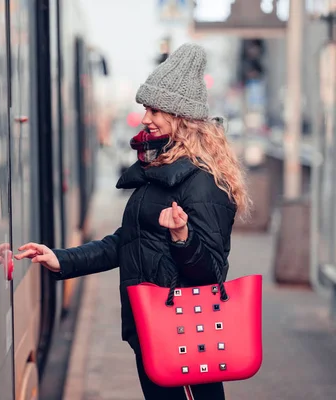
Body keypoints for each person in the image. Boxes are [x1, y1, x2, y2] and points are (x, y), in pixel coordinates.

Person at [15, 43, 251, 399]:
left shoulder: (201, 181)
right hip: (154, 329)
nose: (144, 118)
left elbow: (211, 273)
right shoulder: (160, 171)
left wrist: (182, 235)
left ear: (180, 115)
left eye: (155, 109)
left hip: (186, 335)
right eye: (145, 108)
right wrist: (61, 259)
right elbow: (124, 242)